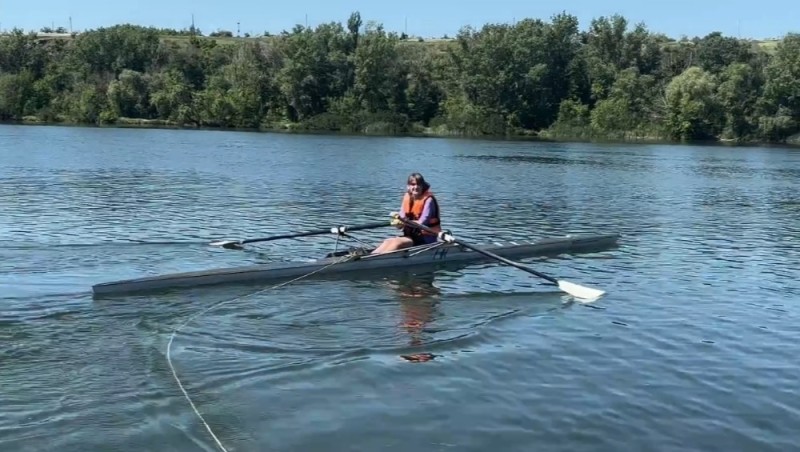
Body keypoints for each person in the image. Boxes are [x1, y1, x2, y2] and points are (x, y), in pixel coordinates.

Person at [371, 172, 442, 254]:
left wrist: (404, 221)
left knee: (397, 242)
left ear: (422, 186)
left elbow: (423, 222)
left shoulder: (429, 200)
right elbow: (401, 218)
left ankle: (372, 260)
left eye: (419, 184)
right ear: (408, 186)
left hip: (426, 239)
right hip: (411, 237)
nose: (416, 187)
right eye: (413, 184)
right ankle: (369, 256)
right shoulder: (407, 198)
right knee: (388, 241)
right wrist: (398, 223)